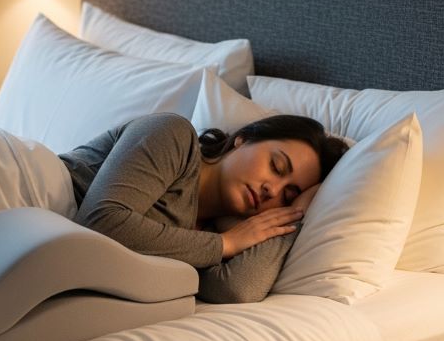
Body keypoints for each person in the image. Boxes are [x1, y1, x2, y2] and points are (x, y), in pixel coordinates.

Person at [59, 113, 349, 304]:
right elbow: (101, 224)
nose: (271, 190)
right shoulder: (173, 135)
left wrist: (296, 214)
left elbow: (237, 288)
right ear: (243, 139)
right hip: (35, 196)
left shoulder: (208, 235)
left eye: (287, 196)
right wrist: (225, 243)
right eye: (276, 166)